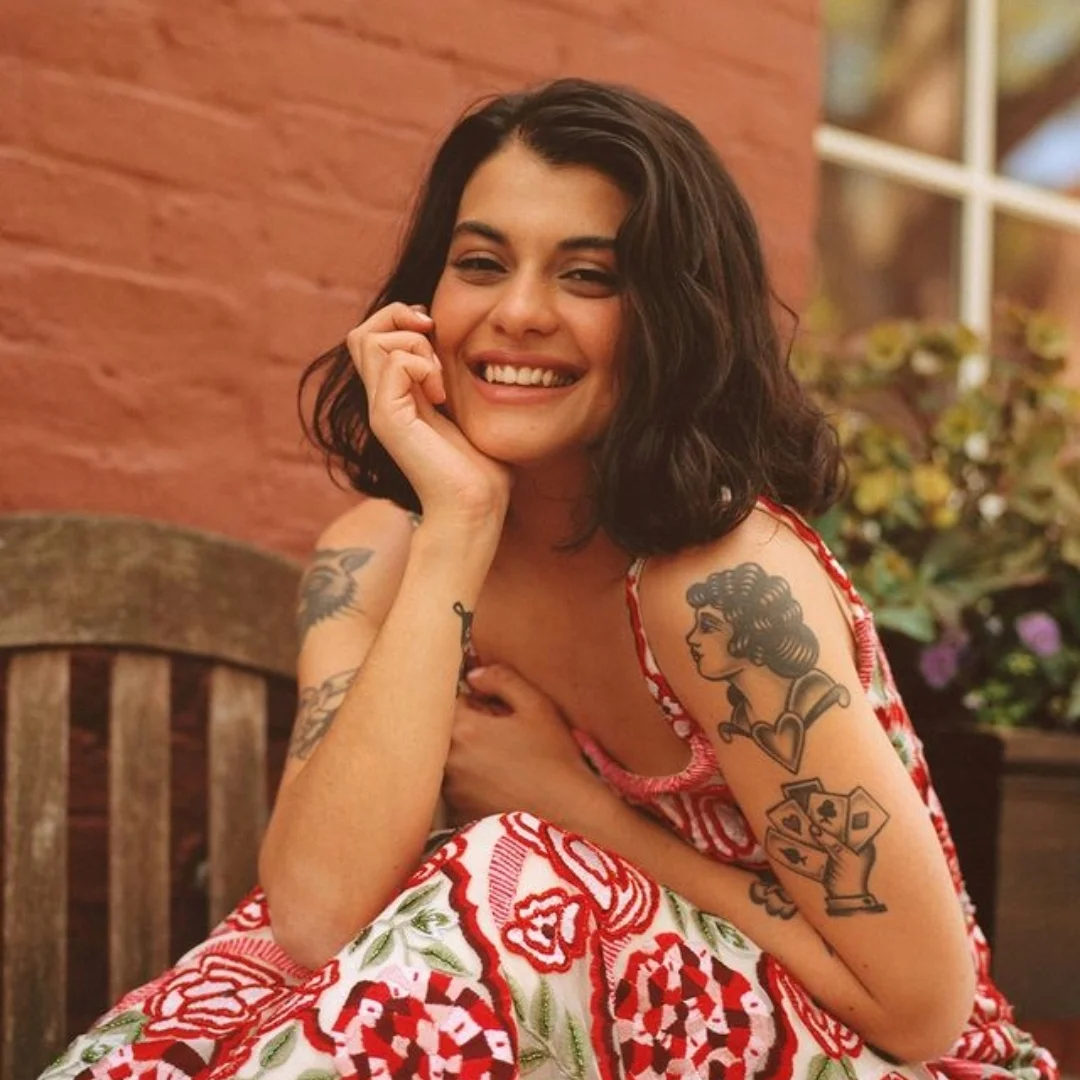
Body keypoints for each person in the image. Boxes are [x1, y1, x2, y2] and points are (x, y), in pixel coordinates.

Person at [41, 78, 1057, 1080]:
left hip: (880, 1056)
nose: (518, 312)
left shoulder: (725, 593)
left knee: (517, 879)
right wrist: (459, 525)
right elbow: (310, 914)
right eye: (480, 262)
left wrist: (573, 807)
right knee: (253, 972)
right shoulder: (371, 558)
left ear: (674, 316)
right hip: (557, 1028)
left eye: (589, 276)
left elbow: (924, 1008)